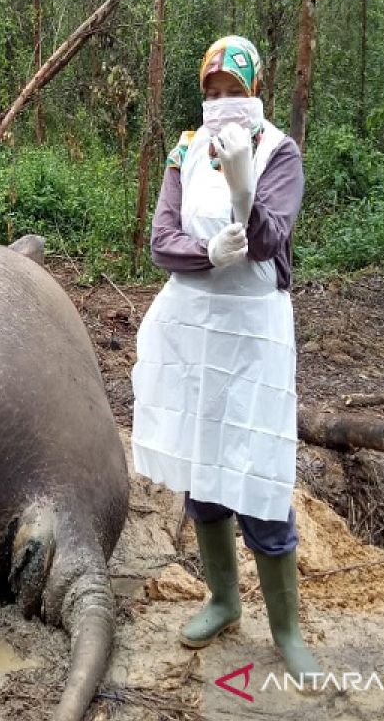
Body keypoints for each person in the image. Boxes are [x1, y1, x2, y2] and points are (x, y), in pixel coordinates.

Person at [130, 36, 320, 679]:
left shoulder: (279, 152)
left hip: (253, 331)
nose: (220, 103)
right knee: (204, 467)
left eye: (232, 93)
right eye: (211, 93)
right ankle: (222, 599)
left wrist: (244, 189)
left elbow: (271, 242)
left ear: (255, 90)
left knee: (260, 472)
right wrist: (204, 254)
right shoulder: (185, 148)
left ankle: (287, 631)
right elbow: (162, 239)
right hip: (193, 327)